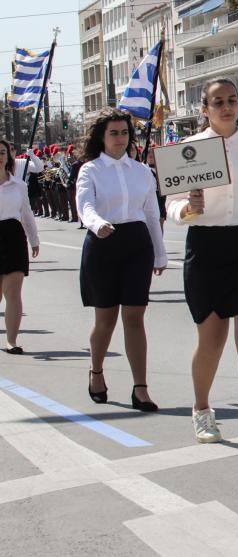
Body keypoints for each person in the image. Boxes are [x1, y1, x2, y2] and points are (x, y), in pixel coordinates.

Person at [165, 77, 238, 455]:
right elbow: (172, 205)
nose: (227, 107)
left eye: (232, 100)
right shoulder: (189, 149)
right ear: (205, 109)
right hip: (207, 246)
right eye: (218, 102)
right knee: (212, 339)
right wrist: (187, 208)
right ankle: (201, 409)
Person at [76, 110, 167, 410]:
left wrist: (160, 252)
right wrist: (96, 223)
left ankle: (140, 388)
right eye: (113, 133)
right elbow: (84, 205)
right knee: (105, 320)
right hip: (103, 242)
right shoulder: (90, 170)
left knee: (135, 317)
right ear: (102, 137)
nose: (120, 138)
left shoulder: (142, 171)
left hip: (136, 244)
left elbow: (152, 214)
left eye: (124, 132)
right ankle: (96, 372)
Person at [0, 139, 39, 355]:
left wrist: (34, 239)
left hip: (13, 236)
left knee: (13, 292)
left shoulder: (19, 185)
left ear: (8, 156)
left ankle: (11, 341)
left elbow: (26, 213)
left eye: (2, 152)